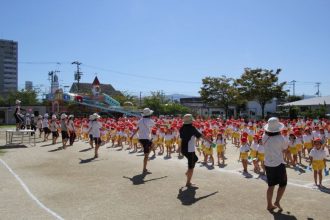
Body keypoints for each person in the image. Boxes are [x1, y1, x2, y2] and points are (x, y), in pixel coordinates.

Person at [179, 114, 212, 187]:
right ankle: (188, 182)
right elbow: (201, 136)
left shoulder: (181, 128)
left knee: (195, 159)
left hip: (184, 149)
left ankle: (188, 173)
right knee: (191, 166)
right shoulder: (192, 128)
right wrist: (210, 142)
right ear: (191, 121)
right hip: (189, 149)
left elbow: (182, 138)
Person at [262, 117, 288, 212]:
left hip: (268, 163)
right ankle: (277, 201)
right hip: (278, 163)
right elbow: (285, 148)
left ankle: (269, 204)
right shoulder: (281, 138)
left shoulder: (264, 136)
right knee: (283, 184)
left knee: (271, 185)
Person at [130, 108, 155, 173]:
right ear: (149, 114)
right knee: (147, 153)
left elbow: (137, 128)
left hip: (141, 138)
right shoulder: (149, 120)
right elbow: (156, 125)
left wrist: (132, 135)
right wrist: (165, 125)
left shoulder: (140, 120)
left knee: (152, 145)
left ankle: (147, 157)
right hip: (146, 138)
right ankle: (144, 168)